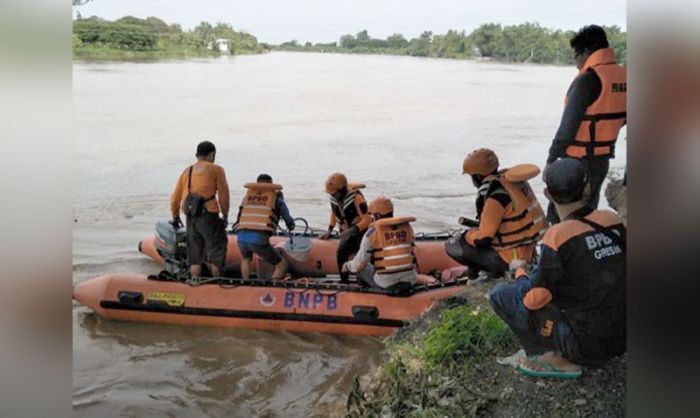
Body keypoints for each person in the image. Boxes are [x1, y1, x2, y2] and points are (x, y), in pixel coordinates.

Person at [490, 158, 626, 378]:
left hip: (586, 348)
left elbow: (532, 298)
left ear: (548, 195)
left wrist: (519, 272)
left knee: (501, 295)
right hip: (622, 338)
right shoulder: (613, 220)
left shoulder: (558, 236)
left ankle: (551, 358)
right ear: (589, 187)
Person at [545, 25, 627, 223]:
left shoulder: (588, 80)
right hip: (601, 162)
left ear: (586, 52)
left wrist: (551, 160)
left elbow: (568, 127)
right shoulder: (625, 76)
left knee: (559, 217)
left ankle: (557, 252)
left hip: (575, 161)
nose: (576, 64)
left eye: (576, 56)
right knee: (588, 213)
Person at [446, 149, 547, 282]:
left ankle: (488, 273)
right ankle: (483, 272)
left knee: (453, 245)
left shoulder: (495, 197)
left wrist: (466, 235)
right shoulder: (512, 184)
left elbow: (483, 239)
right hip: (528, 251)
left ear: (478, 176)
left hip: (510, 258)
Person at [170, 141, 230, 277]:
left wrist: (175, 215)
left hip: (191, 217)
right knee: (216, 253)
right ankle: (218, 285)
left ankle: (195, 284)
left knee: (195, 257)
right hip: (209, 215)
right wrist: (225, 214)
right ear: (212, 154)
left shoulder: (187, 171)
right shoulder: (216, 169)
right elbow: (224, 195)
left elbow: (175, 197)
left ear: (197, 155)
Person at [342, 197, 417, 292]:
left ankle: (369, 294)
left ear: (377, 215)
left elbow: (359, 264)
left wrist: (347, 266)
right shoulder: (407, 227)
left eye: (373, 216)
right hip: (411, 279)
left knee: (362, 270)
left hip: (386, 282)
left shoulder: (372, 232)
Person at [235, 174, 295, 280]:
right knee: (282, 264)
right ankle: (273, 285)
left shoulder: (248, 197)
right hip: (258, 240)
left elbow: (239, 215)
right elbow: (288, 219)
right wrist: (291, 225)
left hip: (241, 237)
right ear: (271, 184)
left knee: (246, 259)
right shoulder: (276, 198)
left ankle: (245, 284)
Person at [320, 173, 372, 283]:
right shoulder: (334, 199)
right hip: (347, 234)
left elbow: (367, 219)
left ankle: (363, 280)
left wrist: (354, 230)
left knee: (362, 255)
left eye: (335, 194)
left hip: (361, 233)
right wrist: (330, 229)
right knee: (341, 253)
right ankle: (344, 281)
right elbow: (334, 213)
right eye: (331, 194)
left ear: (342, 190)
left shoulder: (357, 198)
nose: (333, 196)